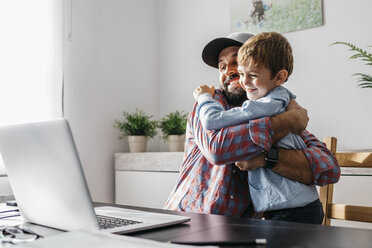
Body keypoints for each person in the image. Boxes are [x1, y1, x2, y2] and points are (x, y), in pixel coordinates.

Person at [164, 32, 340, 220]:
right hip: (185, 219)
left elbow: (328, 167)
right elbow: (217, 149)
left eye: (237, 63)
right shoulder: (208, 104)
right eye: (222, 66)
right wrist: (288, 122)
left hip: (241, 232)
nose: (228, 71)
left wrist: (266, 158)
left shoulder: (278, 106)